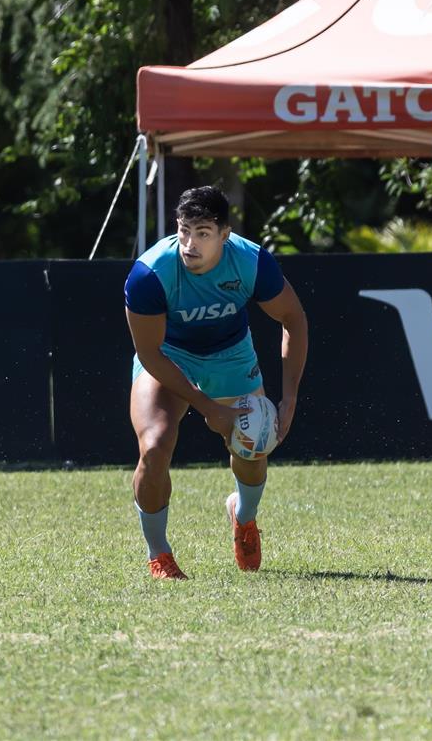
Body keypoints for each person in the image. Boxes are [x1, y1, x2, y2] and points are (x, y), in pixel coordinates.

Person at [124, 186, 309, 579]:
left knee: (254, 448)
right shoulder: (149, 274)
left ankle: (243, 517)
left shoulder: (251, 261)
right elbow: (150, 353)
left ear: (224, 235)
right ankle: (159, 554)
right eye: (184, 230)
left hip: (230, 354)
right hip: (169, 355)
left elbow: (293, 319)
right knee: (155, 445)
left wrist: (289, 398)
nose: (190, 243)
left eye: (203, 232)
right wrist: (208, 407)